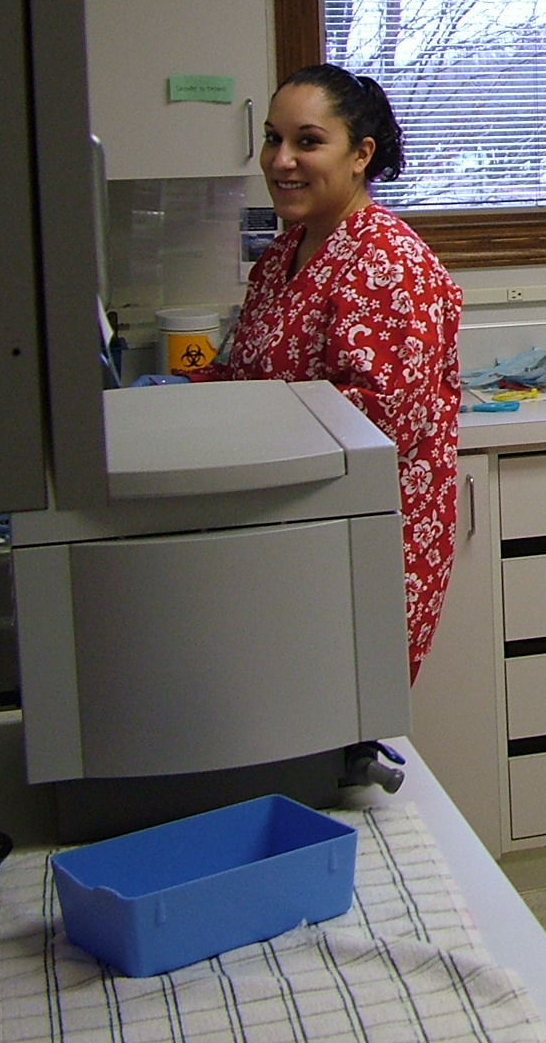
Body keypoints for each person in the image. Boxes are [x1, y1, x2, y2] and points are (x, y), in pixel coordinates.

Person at [209, 64, 463, 682]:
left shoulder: (386, 261)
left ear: (361, 155)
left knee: (340, 717)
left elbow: (381, 421)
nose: (281, 160)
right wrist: (178, 401)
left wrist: (244, 426)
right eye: (273, 138)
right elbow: (251, 372)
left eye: (307, 141)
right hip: (293, 530)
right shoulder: (281, 257)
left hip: (364, 540)